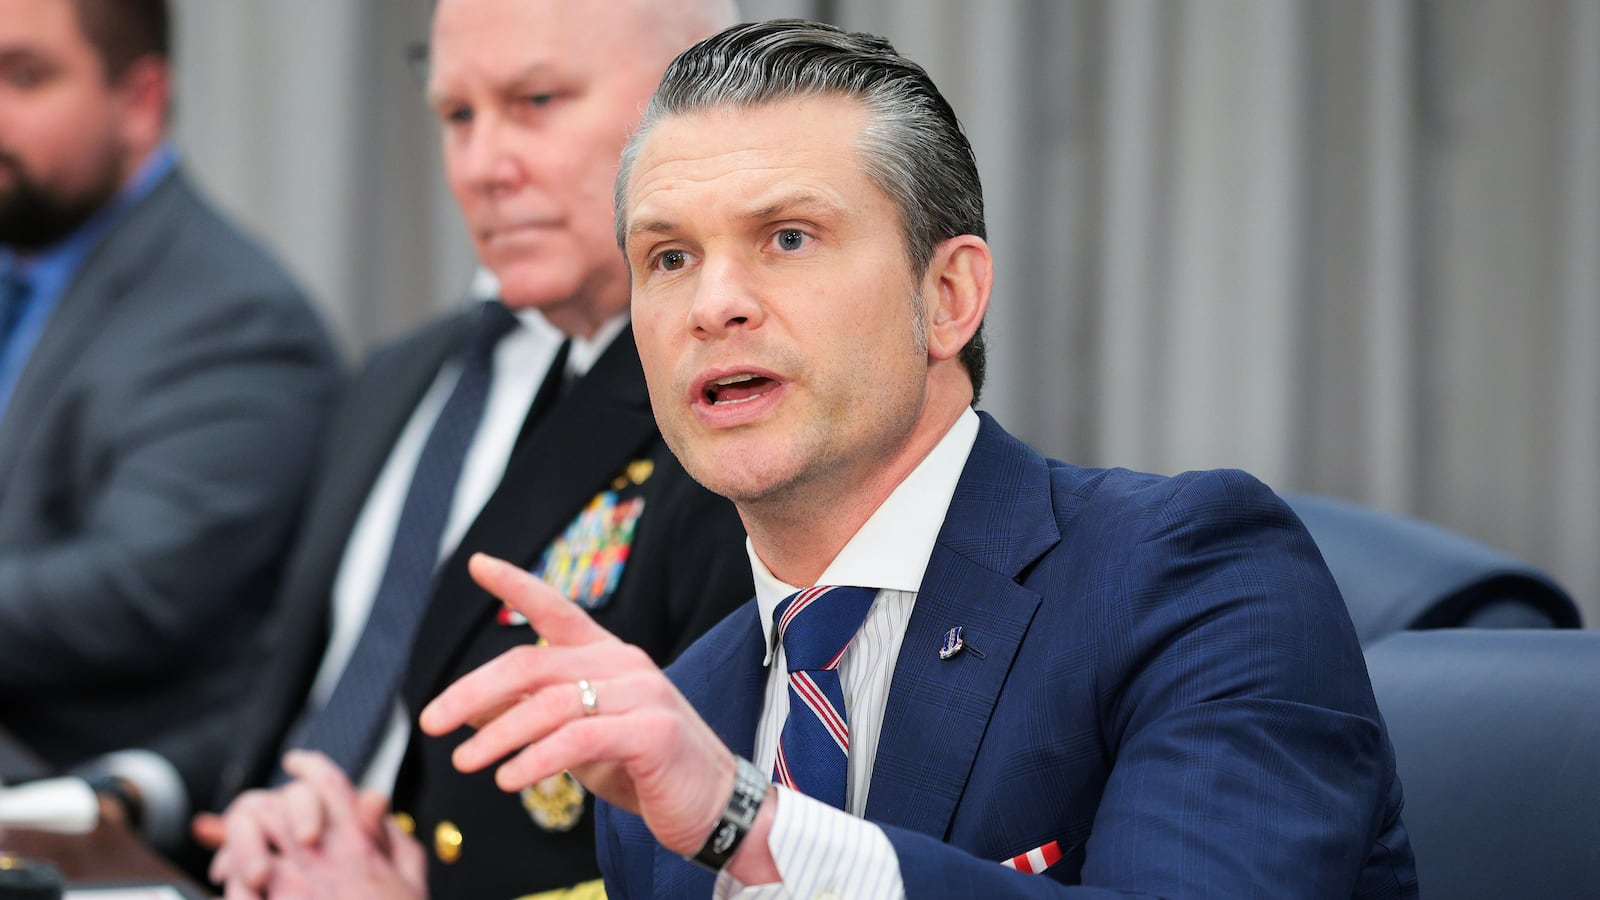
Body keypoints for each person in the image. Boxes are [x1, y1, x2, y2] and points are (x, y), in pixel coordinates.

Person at [420, 19, 1421, 898]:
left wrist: (752, 828)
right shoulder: (688, 710)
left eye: (788, 237)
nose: (713, 305)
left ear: (948, 298)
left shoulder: (1190, 576)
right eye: (669, 258)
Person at [197, 1, 749, 898]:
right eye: (457, 115)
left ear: (695, 101)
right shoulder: (407, 374)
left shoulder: (738, 415)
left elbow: (740, 842)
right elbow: (299, 683)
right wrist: (283, 810)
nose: (482, 166)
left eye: (537, 101)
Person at [0, 0, 338, 852]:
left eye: (25, 77)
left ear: (140, 100)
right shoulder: (22, 269)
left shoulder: (235, 315)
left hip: (96, 822)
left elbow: (134, 592)